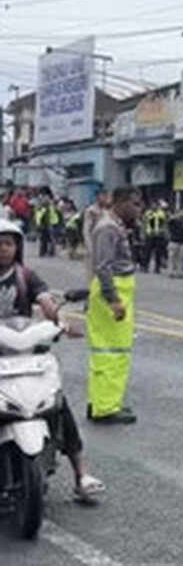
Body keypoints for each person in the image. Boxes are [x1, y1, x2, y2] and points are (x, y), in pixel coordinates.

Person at [0, 219, 105, 502]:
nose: (3, 249)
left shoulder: (26, 276)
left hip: (24, 355)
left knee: (57, 405)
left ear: (17, 247)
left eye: (8, 244)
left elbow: (45, 300)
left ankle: (82, 474)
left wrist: (60, 321)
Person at [87, 186, 144, 425]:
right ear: (120, 203)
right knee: (113, 352)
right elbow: (103, 266)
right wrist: (113, 301)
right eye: (135, 203)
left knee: (105, 351)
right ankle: (107, 408)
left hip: (118, 289)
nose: (138, 209)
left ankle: (101, 402)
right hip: (115, 292)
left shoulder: (114, 225)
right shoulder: (108, 227)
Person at [142, 200, 168, 274]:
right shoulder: (147, 213)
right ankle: (145, 267)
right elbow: (144, 223)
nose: (154, 206)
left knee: (158, 253)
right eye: (153, 205)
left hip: (158, 235)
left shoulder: (161, 213)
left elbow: (164, 224)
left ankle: (157, 268)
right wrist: (143, 233)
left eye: (156, 205)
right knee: (147, 252)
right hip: (149, 235)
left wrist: (163, 232)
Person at [166, 206, 183, 278]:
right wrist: (174, 216)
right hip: (173, 241)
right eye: (180, 214)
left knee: (180, 258)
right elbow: (168, 222)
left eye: (182, 214)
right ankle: (171, 272)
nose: (181, 215)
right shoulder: (173, 221)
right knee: (171, 257)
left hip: (182, 242)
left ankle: (179, 272)